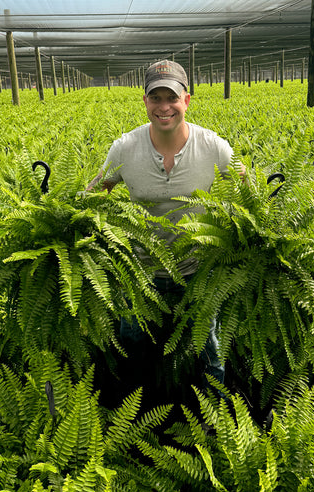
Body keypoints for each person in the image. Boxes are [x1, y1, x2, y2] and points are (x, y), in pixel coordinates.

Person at [87, 60, 245, 404]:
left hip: (200, 272)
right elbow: (93, 196)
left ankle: (214, 420)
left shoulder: (214, 146)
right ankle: (133, 418)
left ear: (186, 100)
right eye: (155, 98)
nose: (164, 107)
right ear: (144, 101)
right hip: (141, 272)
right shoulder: (125, 148)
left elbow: (250, 195)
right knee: (131, 347)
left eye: (171, 98)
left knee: (209, 351)